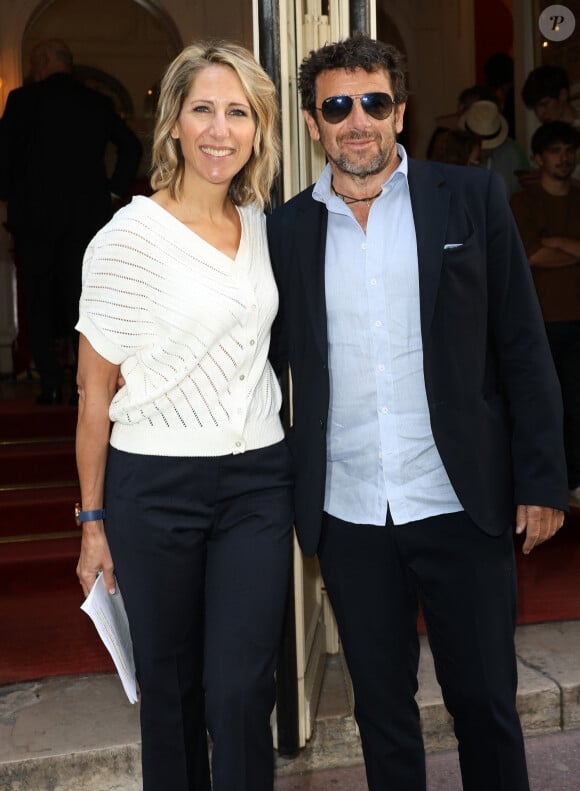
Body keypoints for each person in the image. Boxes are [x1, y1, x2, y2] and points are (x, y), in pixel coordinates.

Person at [267, 33, 567, 791]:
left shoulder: (469, 198)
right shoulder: (287, 230)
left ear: (400, 111)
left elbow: (523, 348)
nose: (356, 120)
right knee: (382, 712)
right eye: (337, 105)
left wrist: (541, 479)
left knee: (485, 703)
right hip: (351, 508)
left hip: (459, 498)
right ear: (313, 123)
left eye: (373, 102)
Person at [75, 41, 293, 791]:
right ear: (173, 123)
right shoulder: (127, 238)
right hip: (154, 487)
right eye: (202, 108)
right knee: (168, 693)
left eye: (238, 112)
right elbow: (93, 392)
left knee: (240, 690)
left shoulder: (265, 225)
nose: (219, 129)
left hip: (258, 482)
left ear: (259, 130)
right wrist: (92, 521)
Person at [0, 39, 142, 405]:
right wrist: (113, 192)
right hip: (87, 220)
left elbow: (3, 158)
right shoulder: (96, 102)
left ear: (45, 62)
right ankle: (87, 386)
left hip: (35, 220)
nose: (32, 69)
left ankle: (49, 382)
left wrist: (10, 194)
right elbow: (131, 147)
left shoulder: (22, 101)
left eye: (34, 61)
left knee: (37, 300)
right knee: (85, 302)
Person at [510, 121, 580, 509]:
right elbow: (532, 254)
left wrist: (553, 241)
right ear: (538, 158)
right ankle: (548, 485)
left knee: (578, 402)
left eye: (569, 150)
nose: (564, 157)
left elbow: (542, 250)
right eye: (555, 150)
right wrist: (567, 248)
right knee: (544, 405)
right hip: (540, 320)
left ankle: (577, 479)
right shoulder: (523, 203)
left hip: (577, 317)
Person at [457, 99, 528, 197]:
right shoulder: (454, 159)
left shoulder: (510, 153)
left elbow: (519, 194)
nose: (488, 151)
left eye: (492, 145)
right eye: (482, 147)